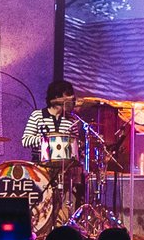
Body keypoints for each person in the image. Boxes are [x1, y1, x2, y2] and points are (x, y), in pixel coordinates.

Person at [17, 80, 92, 221]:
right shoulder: (37, 116)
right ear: (57, 96)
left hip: (64, 170)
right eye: (68, 94)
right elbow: (25, 140)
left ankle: (61, 228)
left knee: (63, 205)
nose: (71, 98)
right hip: (41, 167)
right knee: (44, 204)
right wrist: (45, 140)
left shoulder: (71, 120)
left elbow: (74, 144)